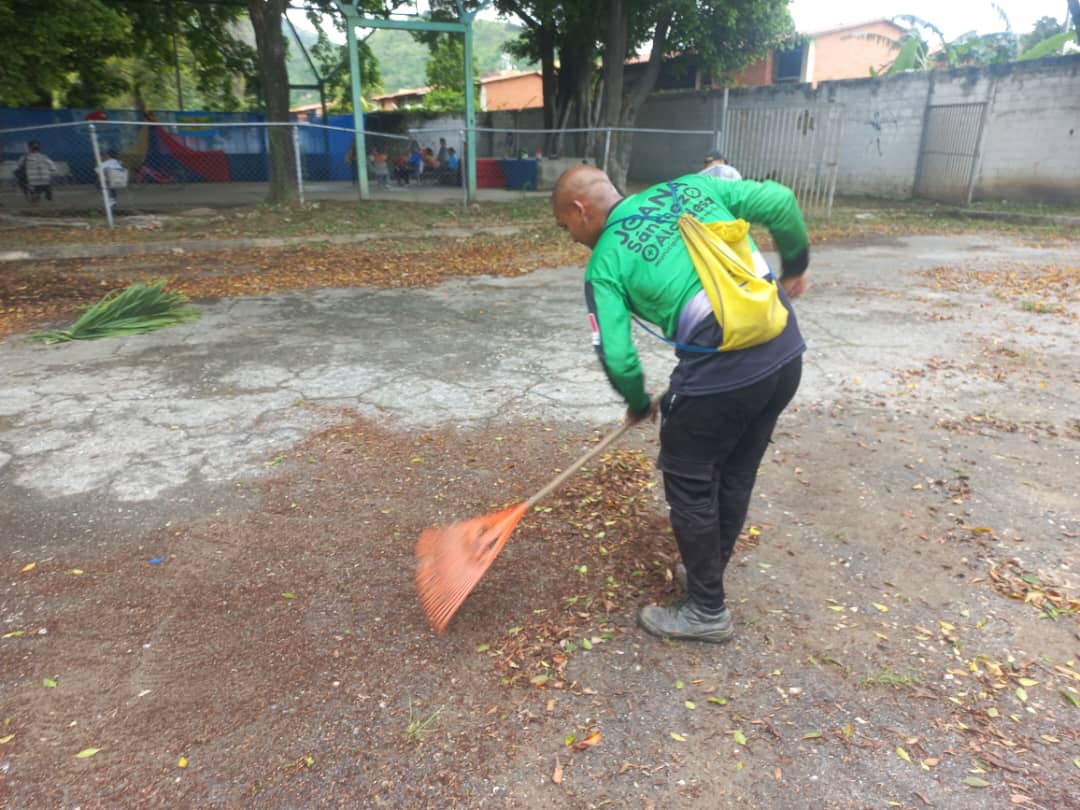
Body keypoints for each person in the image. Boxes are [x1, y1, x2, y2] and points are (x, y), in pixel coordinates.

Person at [551, 165, 810, 643]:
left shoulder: (604, 262)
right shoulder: (691, 186)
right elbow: (779, 201)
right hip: (784, 353)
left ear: (580, 210)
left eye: (567, 228)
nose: (572, 240)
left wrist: (636, 400)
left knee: (690, 481)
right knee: (734, 473)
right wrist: (795, 265)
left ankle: (706, 610)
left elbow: (616, 354)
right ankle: (706, 576)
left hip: (724, 370)